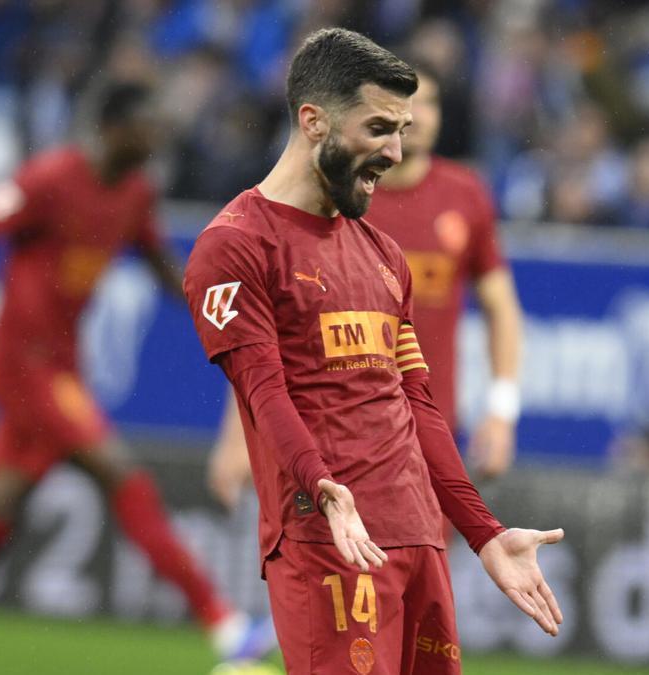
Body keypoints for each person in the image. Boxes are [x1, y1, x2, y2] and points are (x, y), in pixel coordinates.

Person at [183, 29, 564, 675]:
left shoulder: (385, 256)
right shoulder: (235, 247)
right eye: (381, 128)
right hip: (331, 540)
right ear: (313, 121)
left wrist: (483, 531)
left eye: (404, 128)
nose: (397, 149)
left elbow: (418, 404)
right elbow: (263, 389)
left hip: (418, 539)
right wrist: (322, 486)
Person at [0, 82, 272, 675]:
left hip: (61, 369)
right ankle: (224, 624)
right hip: (19, 365)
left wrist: (217, 308)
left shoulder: (135, 193)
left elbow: (161, 264)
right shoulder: (48, 179)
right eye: (147, 126)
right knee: (120, 471)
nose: (158, 138)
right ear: (112, 129)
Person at [206, 60, 525, 511]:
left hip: (427, 433)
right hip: (332, 438)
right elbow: (267, 327)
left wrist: (501, 410)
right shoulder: (337, 197)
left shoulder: (465, 195)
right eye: (409, 105)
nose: (422, 117)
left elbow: (502, 308)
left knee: (418, 574)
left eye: (431, 103)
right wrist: (238, 434)